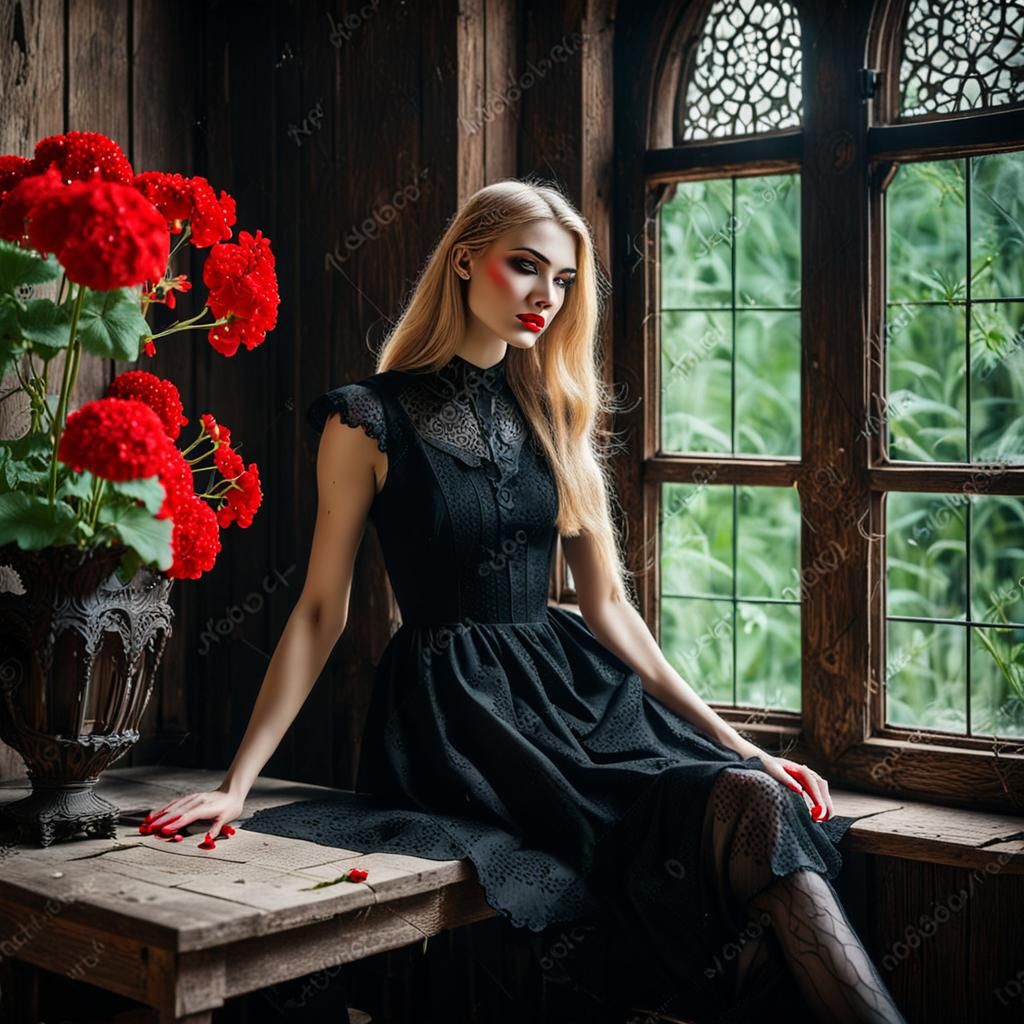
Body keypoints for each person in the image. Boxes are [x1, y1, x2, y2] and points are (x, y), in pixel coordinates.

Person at [145, 178, 907, 1024]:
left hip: (573, 698)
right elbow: (321, 610)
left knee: (750, 801)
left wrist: (741, 746)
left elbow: (609, 605)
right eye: (526, 268)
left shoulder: (554, 411)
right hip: (456, 716)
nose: (547, 296)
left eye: (565, 280)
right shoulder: (367, 419)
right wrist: (238, 785)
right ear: (466, 260)